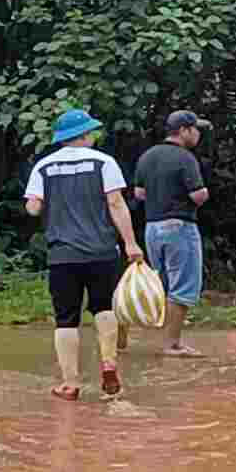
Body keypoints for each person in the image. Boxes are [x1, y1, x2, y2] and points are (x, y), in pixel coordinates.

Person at [24, 108, 145, 401]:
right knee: (104, 308)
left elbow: (33, 208)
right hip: (102, 252)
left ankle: (70, 383)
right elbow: (116, 204)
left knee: (66, 319)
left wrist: (47, 202)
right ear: (85, 135)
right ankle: (108, 364)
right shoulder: (104, 162)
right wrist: (131, 244)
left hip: (63, 255)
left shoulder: (44, 166)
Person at [133, 110, 212, 357]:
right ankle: (172, 344)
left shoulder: (147, 156)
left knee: (165, 285)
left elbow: (139, 194)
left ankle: (165, 337)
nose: (198, 134)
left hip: (152, 228)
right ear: (184, 131)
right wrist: (203, 195)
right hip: (179, 227)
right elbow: (197, 195)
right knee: (183, 286)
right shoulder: (185, 158)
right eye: (196, 129)